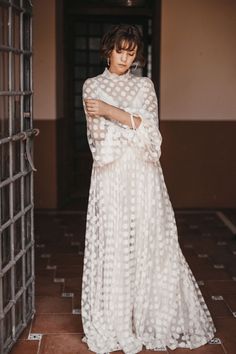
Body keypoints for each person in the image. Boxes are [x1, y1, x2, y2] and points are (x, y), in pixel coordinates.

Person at [81, 24, 216, 354]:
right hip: (110, 179)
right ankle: (116, 319)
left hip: (145, 178)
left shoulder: (145, 86)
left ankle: (149, 317)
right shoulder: (91, 85)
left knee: (149, 241)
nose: (125, 59)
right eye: (119, 51)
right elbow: (101, 143)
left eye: (131, 53)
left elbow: (153, 138)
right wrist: (133, 124)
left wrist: (113, 113)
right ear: (107, 50)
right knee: (114, 242)